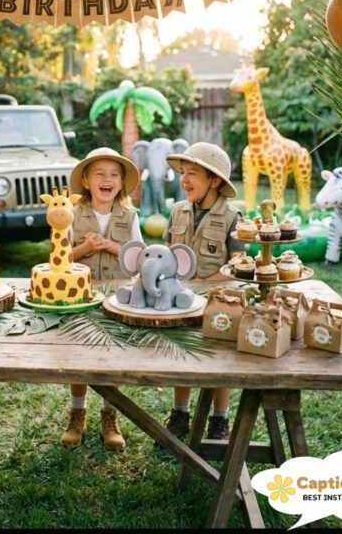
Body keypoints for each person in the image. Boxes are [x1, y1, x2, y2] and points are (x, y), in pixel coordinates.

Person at [162, 142, 245, 441]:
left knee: (220, 360)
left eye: (192, 173)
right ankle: (180, 413)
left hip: (217, 302)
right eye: (183, 172)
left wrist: (204, 283)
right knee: (181, 355)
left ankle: (219, 420)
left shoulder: (233, 218)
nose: (184, 179)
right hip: (180, 300)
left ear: (215, 180)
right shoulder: (177, 212)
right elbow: (168, 251)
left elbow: (238, 265)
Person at [61, 147, 143, 450]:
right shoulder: (71, 214)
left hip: (119, 294)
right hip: (80, 294)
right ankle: (77, 413)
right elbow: (60, 257)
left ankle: (110, 415)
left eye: (114, 175)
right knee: (79, 356)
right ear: (85, 181)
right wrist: (83, 249)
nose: (107, 180)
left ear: (121, 184)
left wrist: (110, 246)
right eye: (99, 174)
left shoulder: (129, 215)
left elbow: (139, 259)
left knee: (112, 355)